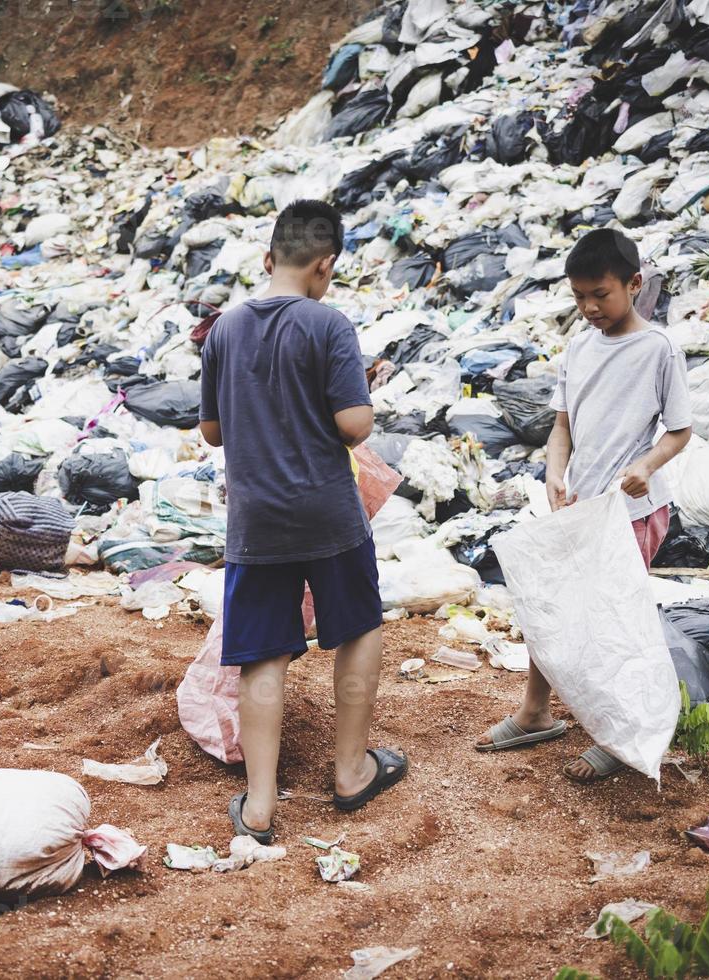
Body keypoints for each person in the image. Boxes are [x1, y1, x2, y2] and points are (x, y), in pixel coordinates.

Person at [198, 199, 408, 843]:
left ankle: (259, 804)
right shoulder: (328, 324)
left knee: (264, 653)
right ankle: (350, 771)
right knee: (358, 628)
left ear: (268, 259)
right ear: (326, 265)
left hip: (256, 520)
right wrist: (358, 389)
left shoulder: (225, 329)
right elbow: (353, 425)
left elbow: (210, 431)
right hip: (327, 512)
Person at [475, 227, 692, 782]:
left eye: (602, 294)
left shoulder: (658, 349)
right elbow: (562, 425)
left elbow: (679, 431)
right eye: (580, 297)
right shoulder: (578, 346)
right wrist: (553, 471)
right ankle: (535, 712)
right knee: (553, 606)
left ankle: (619, 734)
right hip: (579, 503)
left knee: (610, 618)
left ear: (634, 284)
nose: (591, 307)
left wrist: (645, 467)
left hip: (631, 510)